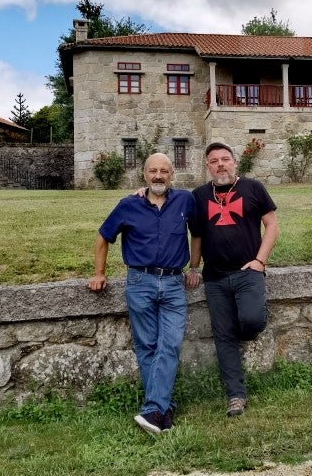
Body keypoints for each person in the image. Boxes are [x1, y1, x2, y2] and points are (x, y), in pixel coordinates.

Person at [89, 153, 196, 435]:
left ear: (172, 174)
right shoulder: (128, 205)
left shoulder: (185, 201)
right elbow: (103, 237)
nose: (158, 176)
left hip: (174, 282)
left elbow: (198, 233)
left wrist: (195, 266)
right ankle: (162, 409)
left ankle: (153, 409)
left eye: (163, 171)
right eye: (152, 171)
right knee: (147, 346)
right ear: (144, 175)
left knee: (170, 344)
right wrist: (99, 273)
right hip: (140, 281)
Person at [187, 142, 279, 417]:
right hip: (215, 278)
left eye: (225, 159)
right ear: (207, 166)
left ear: (234, 162)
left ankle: (248, 319)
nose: (220, 165)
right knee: (223, 337)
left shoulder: (253, 188)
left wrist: (259, 261)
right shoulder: (199, 195)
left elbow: (272, 225)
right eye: (214, 161)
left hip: (247, 272)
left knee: (251, 320)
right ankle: (235, 396)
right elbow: (198, 237)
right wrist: (193, 268)